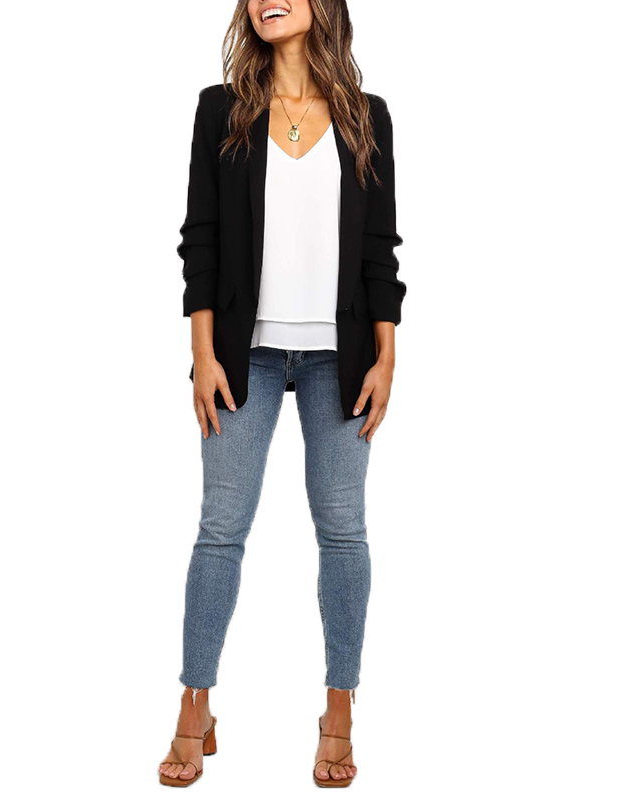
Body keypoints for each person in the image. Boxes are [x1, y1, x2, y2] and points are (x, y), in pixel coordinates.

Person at [160, 0, 406, 787]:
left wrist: (387, 356)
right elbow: (199, 240)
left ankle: (339, 709)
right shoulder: (220, 110)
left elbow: (380, 250)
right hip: (244, 357)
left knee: (344, 532)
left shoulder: (366, 116)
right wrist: (202, 354)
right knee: (220, 531)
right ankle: (195, 705)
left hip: (342, 357)